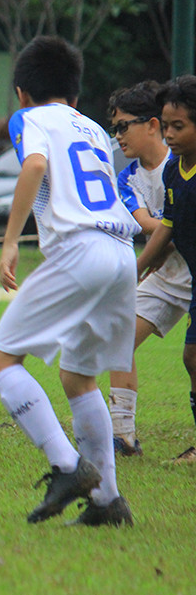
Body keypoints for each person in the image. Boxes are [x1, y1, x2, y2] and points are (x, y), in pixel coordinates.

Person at [0, 36, 137, 527]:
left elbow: (34, 165)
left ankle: (67, 466)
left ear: (21, 91)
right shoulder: (91, 126)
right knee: (77, 375)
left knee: (0, 358)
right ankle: (107, 503)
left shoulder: (28, 118)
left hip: (81, 250)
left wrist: (11, 241)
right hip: (121, 253)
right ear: (74, 94)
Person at [108, 80, 191, 457]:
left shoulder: (182, 161)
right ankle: (122, 437)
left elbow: (173, 225)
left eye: (124, 126)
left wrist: (176, 227)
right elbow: (149, 224)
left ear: (152, 124)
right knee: (118, 338)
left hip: (187, 265)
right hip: (166, 274)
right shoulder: (128, 178)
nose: (118, 136)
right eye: (114, 129)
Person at [136, 74, 196, 465]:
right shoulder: (175, 171)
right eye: (167, 125)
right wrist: (137, 268)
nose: (169, 134)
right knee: (192, 359)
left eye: (180, 126)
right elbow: (169, 226)